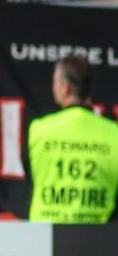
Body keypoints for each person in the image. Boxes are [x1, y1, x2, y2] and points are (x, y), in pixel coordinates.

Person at [28, 55, 118, 224]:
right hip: (99, 238)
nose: (53, 86)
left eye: (55, 81)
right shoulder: (114, 133)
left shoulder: (39, 129)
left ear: (65, 88)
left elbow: (29, 177)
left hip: (45, 237)